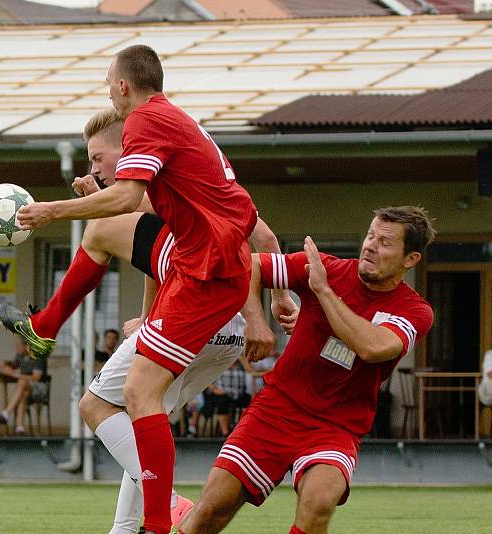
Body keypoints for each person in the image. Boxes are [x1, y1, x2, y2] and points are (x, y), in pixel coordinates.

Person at [0, 107, 295, 534]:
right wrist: (274, 303)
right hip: (219, 331)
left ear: (130, 148)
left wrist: (76, 206)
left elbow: (129, 215)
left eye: (99, 158)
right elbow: (257, 240)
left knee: (95, 405)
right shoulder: (199, 178)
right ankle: (126, 528)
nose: (94, 168)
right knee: (142, 424)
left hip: (196, 310)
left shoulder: (149, 180)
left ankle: (168, 501)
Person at [179, 206, 436, 534]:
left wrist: (322, 292)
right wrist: (261, 315)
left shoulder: (414, 310)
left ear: (410, 259)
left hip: (336, 425)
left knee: (319, 501)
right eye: (371, 235)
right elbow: (247, 265)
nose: (371, 245)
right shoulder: (326, 267)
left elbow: (372, 347)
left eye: (385, 242)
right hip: (277, 408)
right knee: (209, 512)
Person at [0, 338, 49, 435]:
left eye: (19, 346)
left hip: (40, 389)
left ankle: (6, 413)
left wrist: (13, 374)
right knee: (24, 393)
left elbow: (36, 377)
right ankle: (19, 427)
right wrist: (6, 365)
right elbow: (14, 365)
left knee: (22, 382)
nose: (16, 348)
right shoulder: (21, 355)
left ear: (27, 346)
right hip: (27, 389)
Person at [204, 361, 251, 437]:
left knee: (251, 402)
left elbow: (251, 371)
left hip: (238, 393)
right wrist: (213, 389)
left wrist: (241, 358)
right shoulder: (220, 363)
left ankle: (243, 431)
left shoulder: (241, 365)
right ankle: (225, 432)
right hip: (221, 393)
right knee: (222, 402)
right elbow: (205, 377)